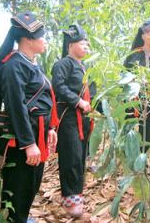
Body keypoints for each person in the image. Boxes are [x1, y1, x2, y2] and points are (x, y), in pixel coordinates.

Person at [0, 12, 58, 223]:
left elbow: (42, 99)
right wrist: (28, 143)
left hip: (36, 132)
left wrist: (50, 128)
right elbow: (17, 106)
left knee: (31, 183)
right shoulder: (13, 66)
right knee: (18, 185)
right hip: (21, 138)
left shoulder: (31, 63)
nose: (45, 41)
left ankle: (21, 217)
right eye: (43, 36)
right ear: (29, 40)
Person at [51, 24, 94, 217]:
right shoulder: (63, 64)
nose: (86, 47)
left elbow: (91, 92)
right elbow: (58, 86)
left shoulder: (85, 66)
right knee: (71, 155)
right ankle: (70, 197)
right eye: (83, 43)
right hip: (68, 117)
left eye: (87, 44)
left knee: (81, 155)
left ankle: (78, 193)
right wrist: (78, 101)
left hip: (84, 118)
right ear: (71, 44)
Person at [123, 20, 150, 152]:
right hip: (133, 97)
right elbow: (125, 74)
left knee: (146, 125)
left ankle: (143, 155)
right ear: (143, 36)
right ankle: (127, 153)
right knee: (128, 125)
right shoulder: (133, 55)